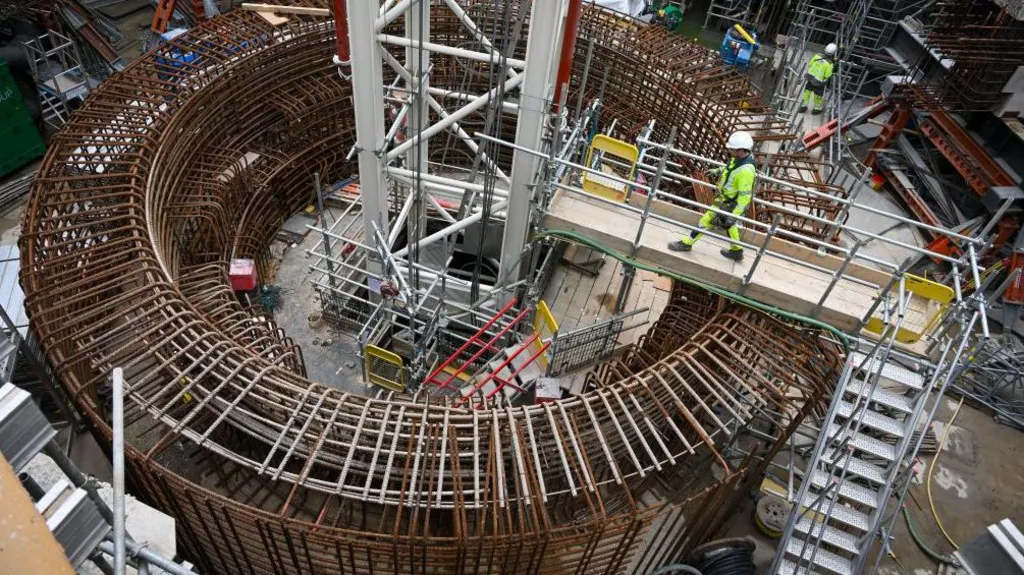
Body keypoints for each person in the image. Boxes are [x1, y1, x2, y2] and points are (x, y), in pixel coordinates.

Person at [668, 130, 756, 261]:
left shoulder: (746, 171)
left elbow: (745, 197)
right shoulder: (738, 160)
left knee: (705, 221)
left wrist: (734, 215)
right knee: (730, 227)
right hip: (724, 201)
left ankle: (687, 243)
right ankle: (737, 251)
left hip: (728, 204)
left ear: (741, 150)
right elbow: (730, 169)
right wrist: (717, 170)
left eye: (732, 149)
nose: (730, 151)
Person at [799, 43, 836, 115]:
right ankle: (816, 109)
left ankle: (803, 107)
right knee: (818, 96)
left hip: (810, 78)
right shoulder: (830, 63)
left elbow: (810, 64)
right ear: (833, 53)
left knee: (807, 92)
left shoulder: (817, 56)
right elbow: (827, 75)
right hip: (819, 83)